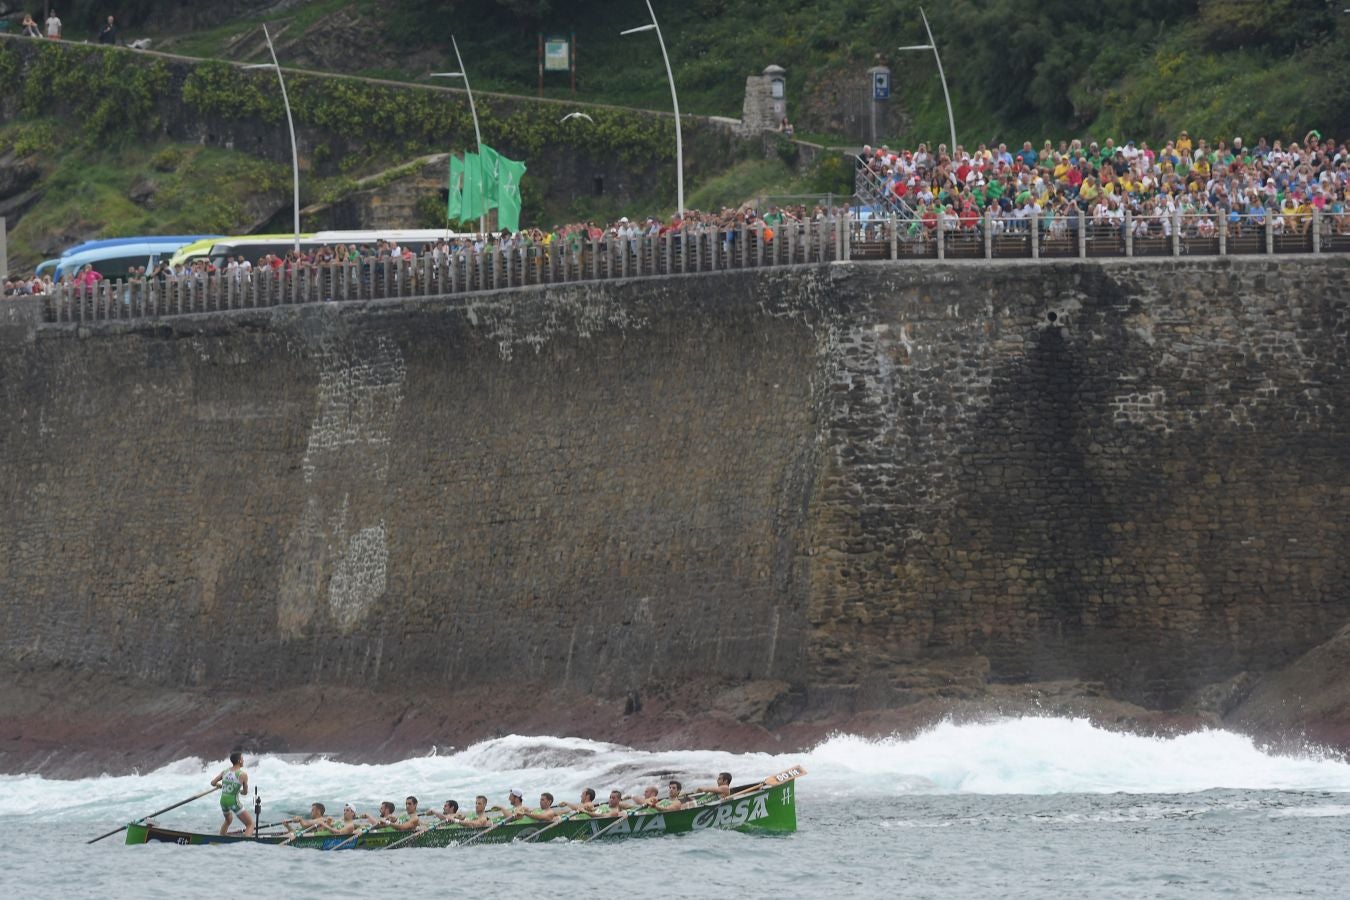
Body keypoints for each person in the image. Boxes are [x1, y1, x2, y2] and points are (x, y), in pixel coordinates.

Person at [210, 750, 255, 836]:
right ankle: (246, 842)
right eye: (242, 759)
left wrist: (219, 785)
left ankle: (221, 838)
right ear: (239, 761)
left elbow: (213, 783)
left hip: (223, 801)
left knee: (228, 820)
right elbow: (245, 792)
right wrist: (240, 791)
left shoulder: (225, 771)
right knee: (250, 824)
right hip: (233, 802)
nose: (243, 760)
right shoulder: (243, 775)